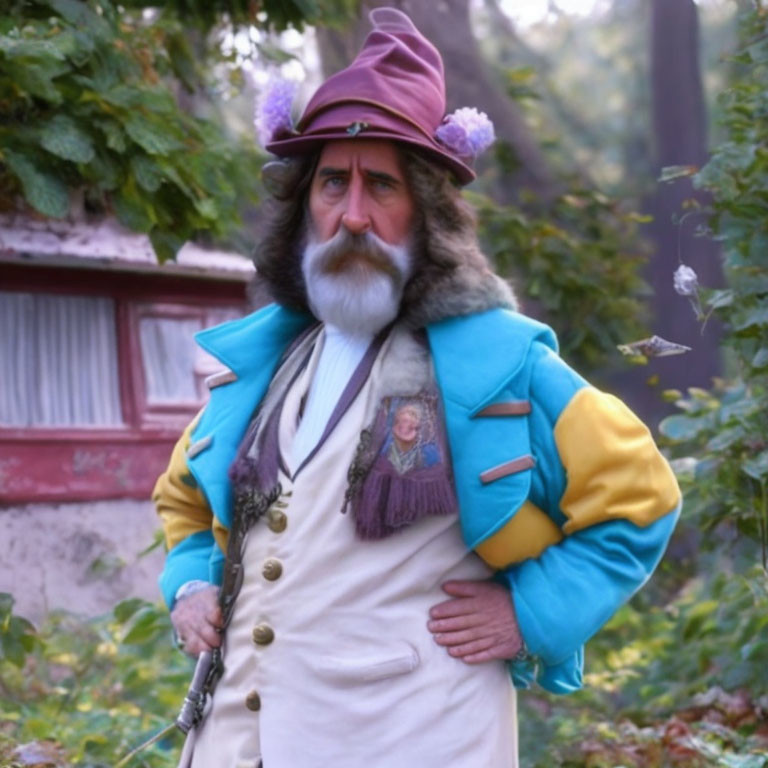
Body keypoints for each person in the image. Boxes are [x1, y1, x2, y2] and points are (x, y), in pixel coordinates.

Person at [154, 8, 681, 767]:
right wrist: (190, 585)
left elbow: (642, 497)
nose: (354, 215)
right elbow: (183, 497)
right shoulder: (267, 362)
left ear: (428, 213)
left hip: (414, 738)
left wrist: (529, 615)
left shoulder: (502, 363)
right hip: (234, 741)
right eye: (334, 183)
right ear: (306, 204)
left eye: (383, 187)